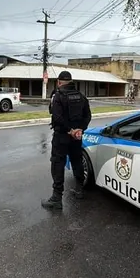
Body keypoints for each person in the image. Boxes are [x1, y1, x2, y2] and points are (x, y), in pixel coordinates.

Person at [42, 71, 91, 209]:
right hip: (76, 137)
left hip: (62, 136)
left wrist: (69, 130)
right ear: (71, 81)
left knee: (57, 164)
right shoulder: (81, 96)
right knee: (77, 161)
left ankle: (56, 198)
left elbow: (57, 118)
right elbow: (87, 116)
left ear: (59, 82)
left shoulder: (57, 96)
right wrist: (79, 129)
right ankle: (79, 190)